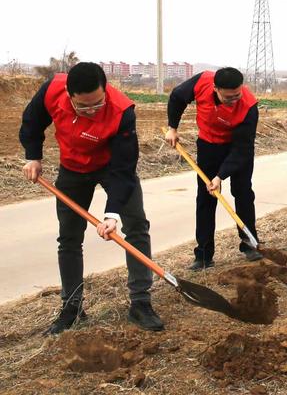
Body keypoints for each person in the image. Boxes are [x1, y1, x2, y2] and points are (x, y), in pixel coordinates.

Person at [19, 62, 164, 335]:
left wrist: (112, 215)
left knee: (136, 227)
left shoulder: (122, 111)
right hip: (73, 168)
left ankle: (141, 302)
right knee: (70, 237)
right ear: (69, 94)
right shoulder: (51, 91)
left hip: (112, 168)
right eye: (83, 106)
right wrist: (33, 156)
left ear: (105, 90)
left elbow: (124, 168)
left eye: (98, 103)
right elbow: (32, 121)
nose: (92, 110)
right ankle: (72, 308)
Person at [165, 67, 261, 271]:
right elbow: (176, 97)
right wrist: (173, 127)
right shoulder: (202, 82)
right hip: (208, 145)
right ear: (215, 88)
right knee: (206, 198)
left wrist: (220, 176)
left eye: (237, 94)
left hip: (237, 147)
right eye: (228, 97)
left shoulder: (249, 106)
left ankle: (250, 244)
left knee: (243, 193)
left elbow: (242, 149)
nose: (234, 99)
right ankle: (203, 255)